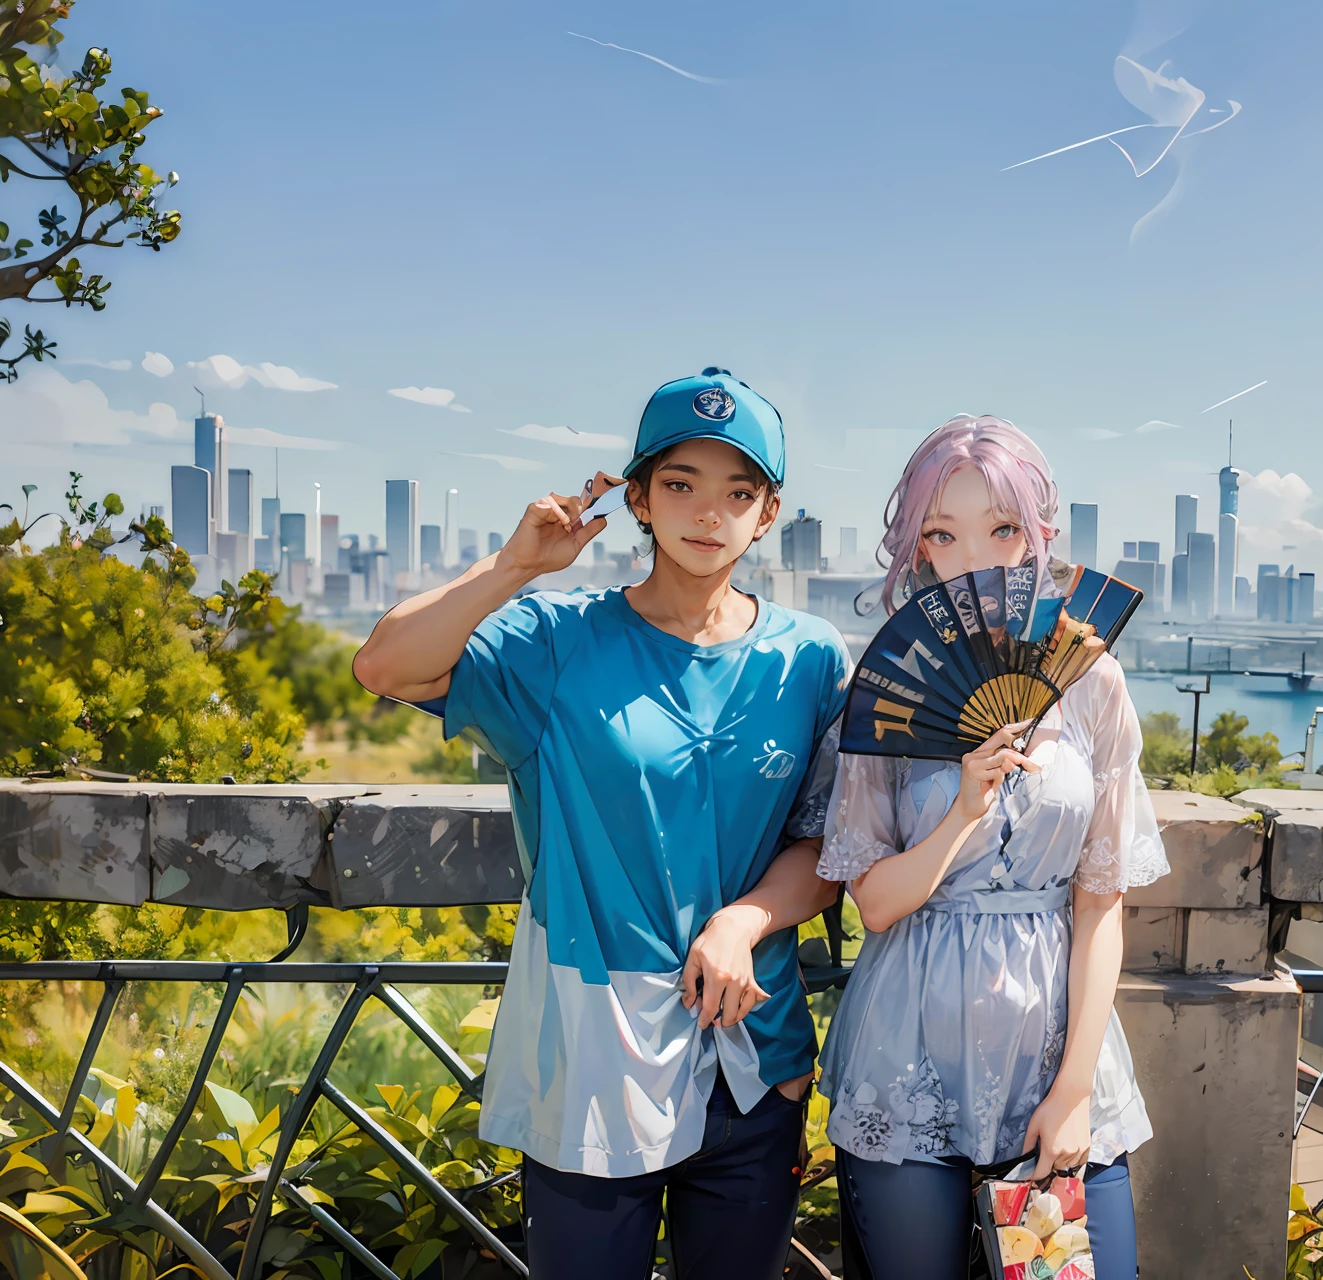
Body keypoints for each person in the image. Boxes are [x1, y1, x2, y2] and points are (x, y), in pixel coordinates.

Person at [352, 369, 849, 1279]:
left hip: (754, 1054)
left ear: (769, 514)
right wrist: (515, 569)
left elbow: (829, 845)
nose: (709, 513)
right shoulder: (558, 640)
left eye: (739, 492)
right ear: (639, 499)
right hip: (593, 1054)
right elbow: (386, 664)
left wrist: (747, 920)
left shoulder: (808, 658)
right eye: (681, 485)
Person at [815, 415, 1169, 1279]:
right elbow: (876, 903)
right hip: (909, 1053)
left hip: (1053, 1046)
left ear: (1038, 536)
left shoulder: (1091, 680)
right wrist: (963, 811)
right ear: (918, 550)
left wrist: (1075, 1089)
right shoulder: (884, 689)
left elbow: (1101, 902)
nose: (974, 559)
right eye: (943, 533)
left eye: (1001, 530)